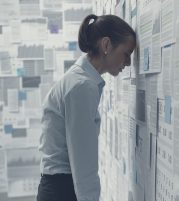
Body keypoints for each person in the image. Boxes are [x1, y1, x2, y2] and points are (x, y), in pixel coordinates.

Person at [37, 14, 136, 201]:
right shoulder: (82, 86)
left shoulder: (79, 80)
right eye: (127, 53)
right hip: (63, 190)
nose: (129, 63)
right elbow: (83, 167)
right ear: (106, 45)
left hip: (58, 187)